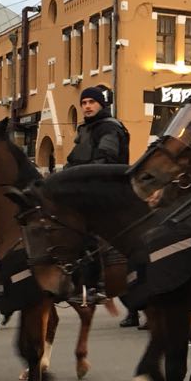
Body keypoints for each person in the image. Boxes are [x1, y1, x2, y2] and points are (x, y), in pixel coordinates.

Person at [65, 86, 130, 305]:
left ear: (101, 104)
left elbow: (105, 160)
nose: (87, 106)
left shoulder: (109, 128)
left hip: (107, 190)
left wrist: (78, 179)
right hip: (86, 189)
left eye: (91, 102)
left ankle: (97, 284)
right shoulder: (86, 129)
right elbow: (73, 160)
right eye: (84, 103)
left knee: (91, 231)